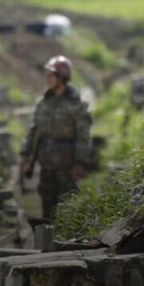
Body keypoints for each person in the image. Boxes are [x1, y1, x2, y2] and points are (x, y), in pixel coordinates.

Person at [20, 55, 92, 220]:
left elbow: (83, 135)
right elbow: (34, 131)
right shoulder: (43, 102)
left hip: (67, 165)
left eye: (51, 75)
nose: (47, 78)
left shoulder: (76, 104)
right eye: (47, 74)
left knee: (69, 207)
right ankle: (47, 240)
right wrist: (25, 155)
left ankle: (66, 241)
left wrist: (80, 163)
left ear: (62, 77)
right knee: (47, 207)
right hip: (46, 165)